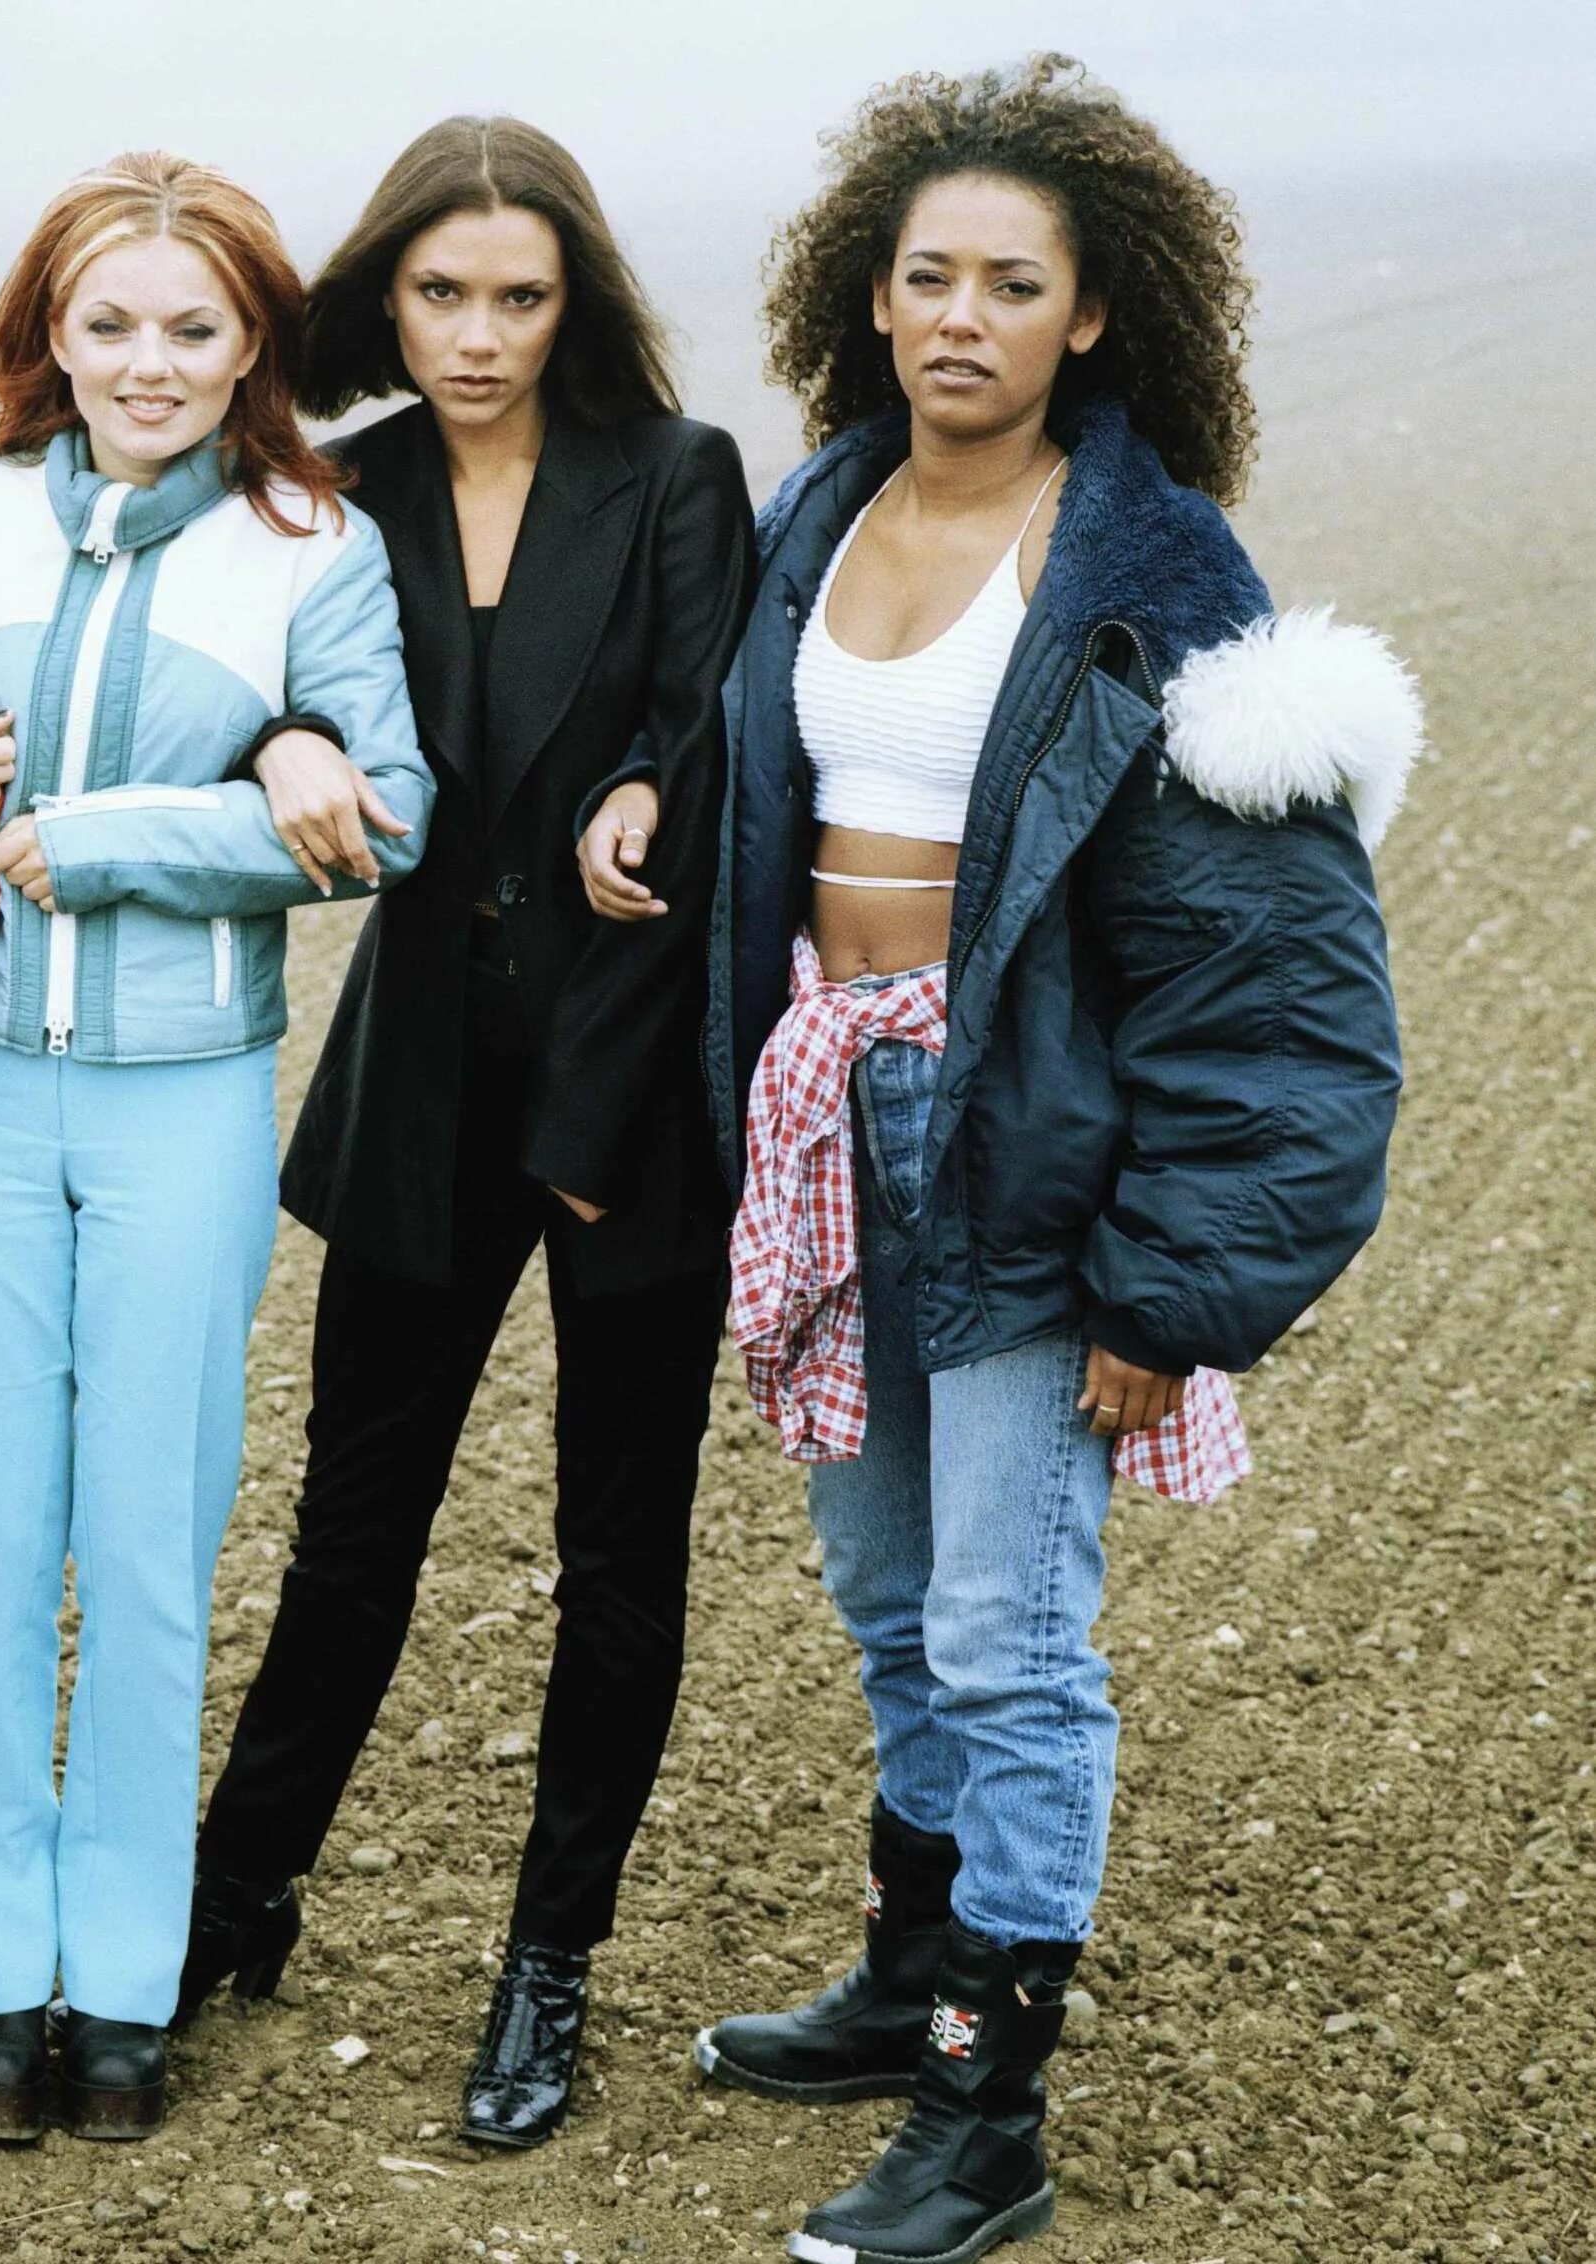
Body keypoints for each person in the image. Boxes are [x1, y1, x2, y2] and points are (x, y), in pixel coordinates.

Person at [651, 57, 1414, 2264]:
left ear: (1092, 314)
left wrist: (1168, 1296)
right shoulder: (817, 515)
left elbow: (1285, 1000)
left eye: (1011, 283)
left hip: (1026, 1156)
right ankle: (907, 1979)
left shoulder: (1153, 578)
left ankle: (986, 2112)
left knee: (1008, 1639)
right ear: (869, 297)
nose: (959, 318)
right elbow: (747, 791)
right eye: (927, 276)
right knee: (893, 1607)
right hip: (830, 1115)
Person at [171, 115, 753, 2150]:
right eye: (441, 293)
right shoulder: (337, 492)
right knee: (351, 1536)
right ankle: (233, 1901)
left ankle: (549, 1963)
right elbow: (244, 690)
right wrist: (285, 733)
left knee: (617, 1558)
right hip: (420, 1083)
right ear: (387, 297)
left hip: (624, 1093)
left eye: (519, 295)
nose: (479, 334)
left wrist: (645, 787)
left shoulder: (675, 475)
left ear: (573, 300)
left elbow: (709, 732)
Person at [0, 150, 428, 2146]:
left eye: (194, 327)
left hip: (186, 1097)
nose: (148, 362)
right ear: (52, 331)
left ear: (253, 340)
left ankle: (122, 1985)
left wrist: (119, 837)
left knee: (149, 1544)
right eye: (108, 323)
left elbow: (387, 813)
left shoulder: (309, 544)